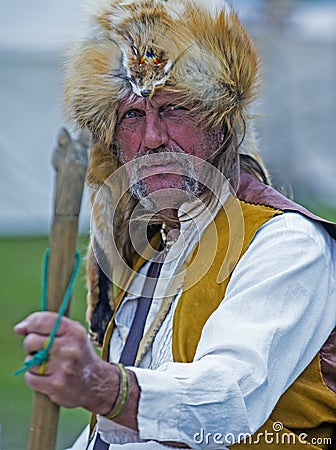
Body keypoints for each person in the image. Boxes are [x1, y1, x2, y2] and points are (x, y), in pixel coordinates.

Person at [14, 0, 336, 449]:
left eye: (174, 110)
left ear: (222, 124)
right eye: (132, 115)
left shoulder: (285, 246)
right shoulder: (150, 254)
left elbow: (224, 405)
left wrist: (103, 385)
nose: (151, 138)